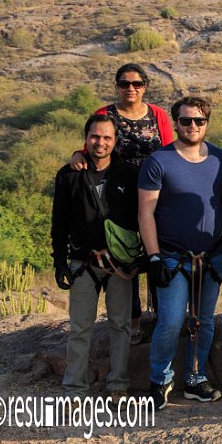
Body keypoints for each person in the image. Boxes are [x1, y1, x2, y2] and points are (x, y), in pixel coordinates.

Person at [70, 63, 174, 344]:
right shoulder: (105, 114)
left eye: (137, 84)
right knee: (124, 255)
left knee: (158, 254)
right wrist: (76, 155)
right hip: (118, 197)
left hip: (155, 196)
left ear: (145, 86)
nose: (131, 89)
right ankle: (134, 320)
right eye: (125, 83)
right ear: (116, 85)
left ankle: (165, 316)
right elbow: (94, 143)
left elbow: (170, 152)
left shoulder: (158, 115)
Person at [139, 96, 222, 409]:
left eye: (199, 121)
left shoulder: (219, 158)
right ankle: (159, 379)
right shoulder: (158, 161)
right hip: (171, 256)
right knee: (172, 320)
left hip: (211, 255)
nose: (193, 126)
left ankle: (195, 378)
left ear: (207, 123)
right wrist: (153, 256)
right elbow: (145, 212)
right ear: (175, 122)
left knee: (204, 320)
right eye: (186, 120)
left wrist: (220, 232)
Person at [51, 114, 138, 398]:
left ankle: (118, 385)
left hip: (120, 263)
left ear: (115, 141)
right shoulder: (68, 175)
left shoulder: (129, 174)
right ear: (85, 137)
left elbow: (141, 218)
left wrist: (142, 258)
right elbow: (59, 222)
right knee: (79, 327)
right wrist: (60, 262)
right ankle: (74, 389)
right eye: (95, 137)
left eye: (106, 138)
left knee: (121, 326)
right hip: (82, 262)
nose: (100, 143)